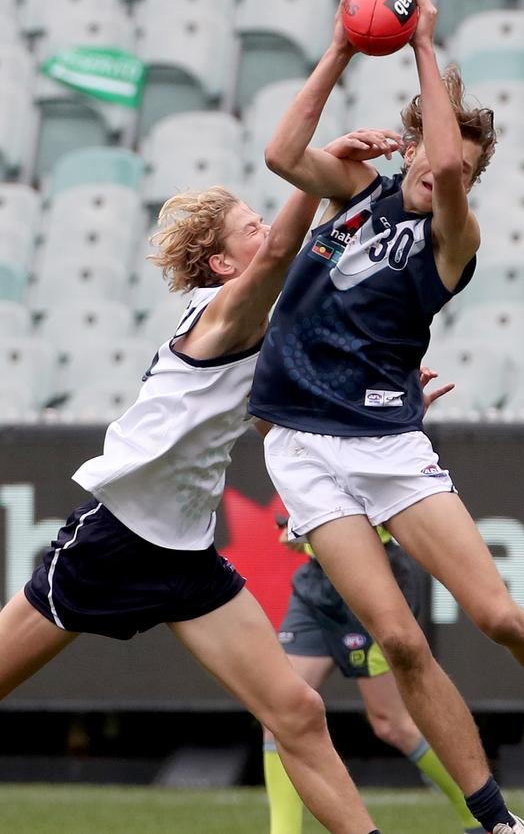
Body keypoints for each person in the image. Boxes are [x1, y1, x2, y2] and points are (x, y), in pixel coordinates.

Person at [249, 0, 524, 834]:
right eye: (431, 152)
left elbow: (452, 166)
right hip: (304, 445)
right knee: (398, 642)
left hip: (387, 442)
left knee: (497, 614)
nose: (441, 166)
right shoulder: (357, 190)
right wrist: (342, 49)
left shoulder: (453, 236)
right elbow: (284, 154)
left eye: (457, 159)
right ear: (407, 151)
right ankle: (500, 823)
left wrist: (425, 46)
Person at [0, 171, 397, 834]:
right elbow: (281, 256)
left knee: (297, 711)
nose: (265, 232)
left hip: (186, 555)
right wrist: (315, 163)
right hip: (116, 540)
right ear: (221, 262)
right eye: (251, 227)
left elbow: (287, 420)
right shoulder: (226, 310)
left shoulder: (261, 329)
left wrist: (387, 405)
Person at [264, 518, 487, 834]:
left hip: (370, 576)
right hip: (317, 583)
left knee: (393, 724)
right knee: (278, 714)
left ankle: (479, 816)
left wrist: (318, 529)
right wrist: (301, 528)